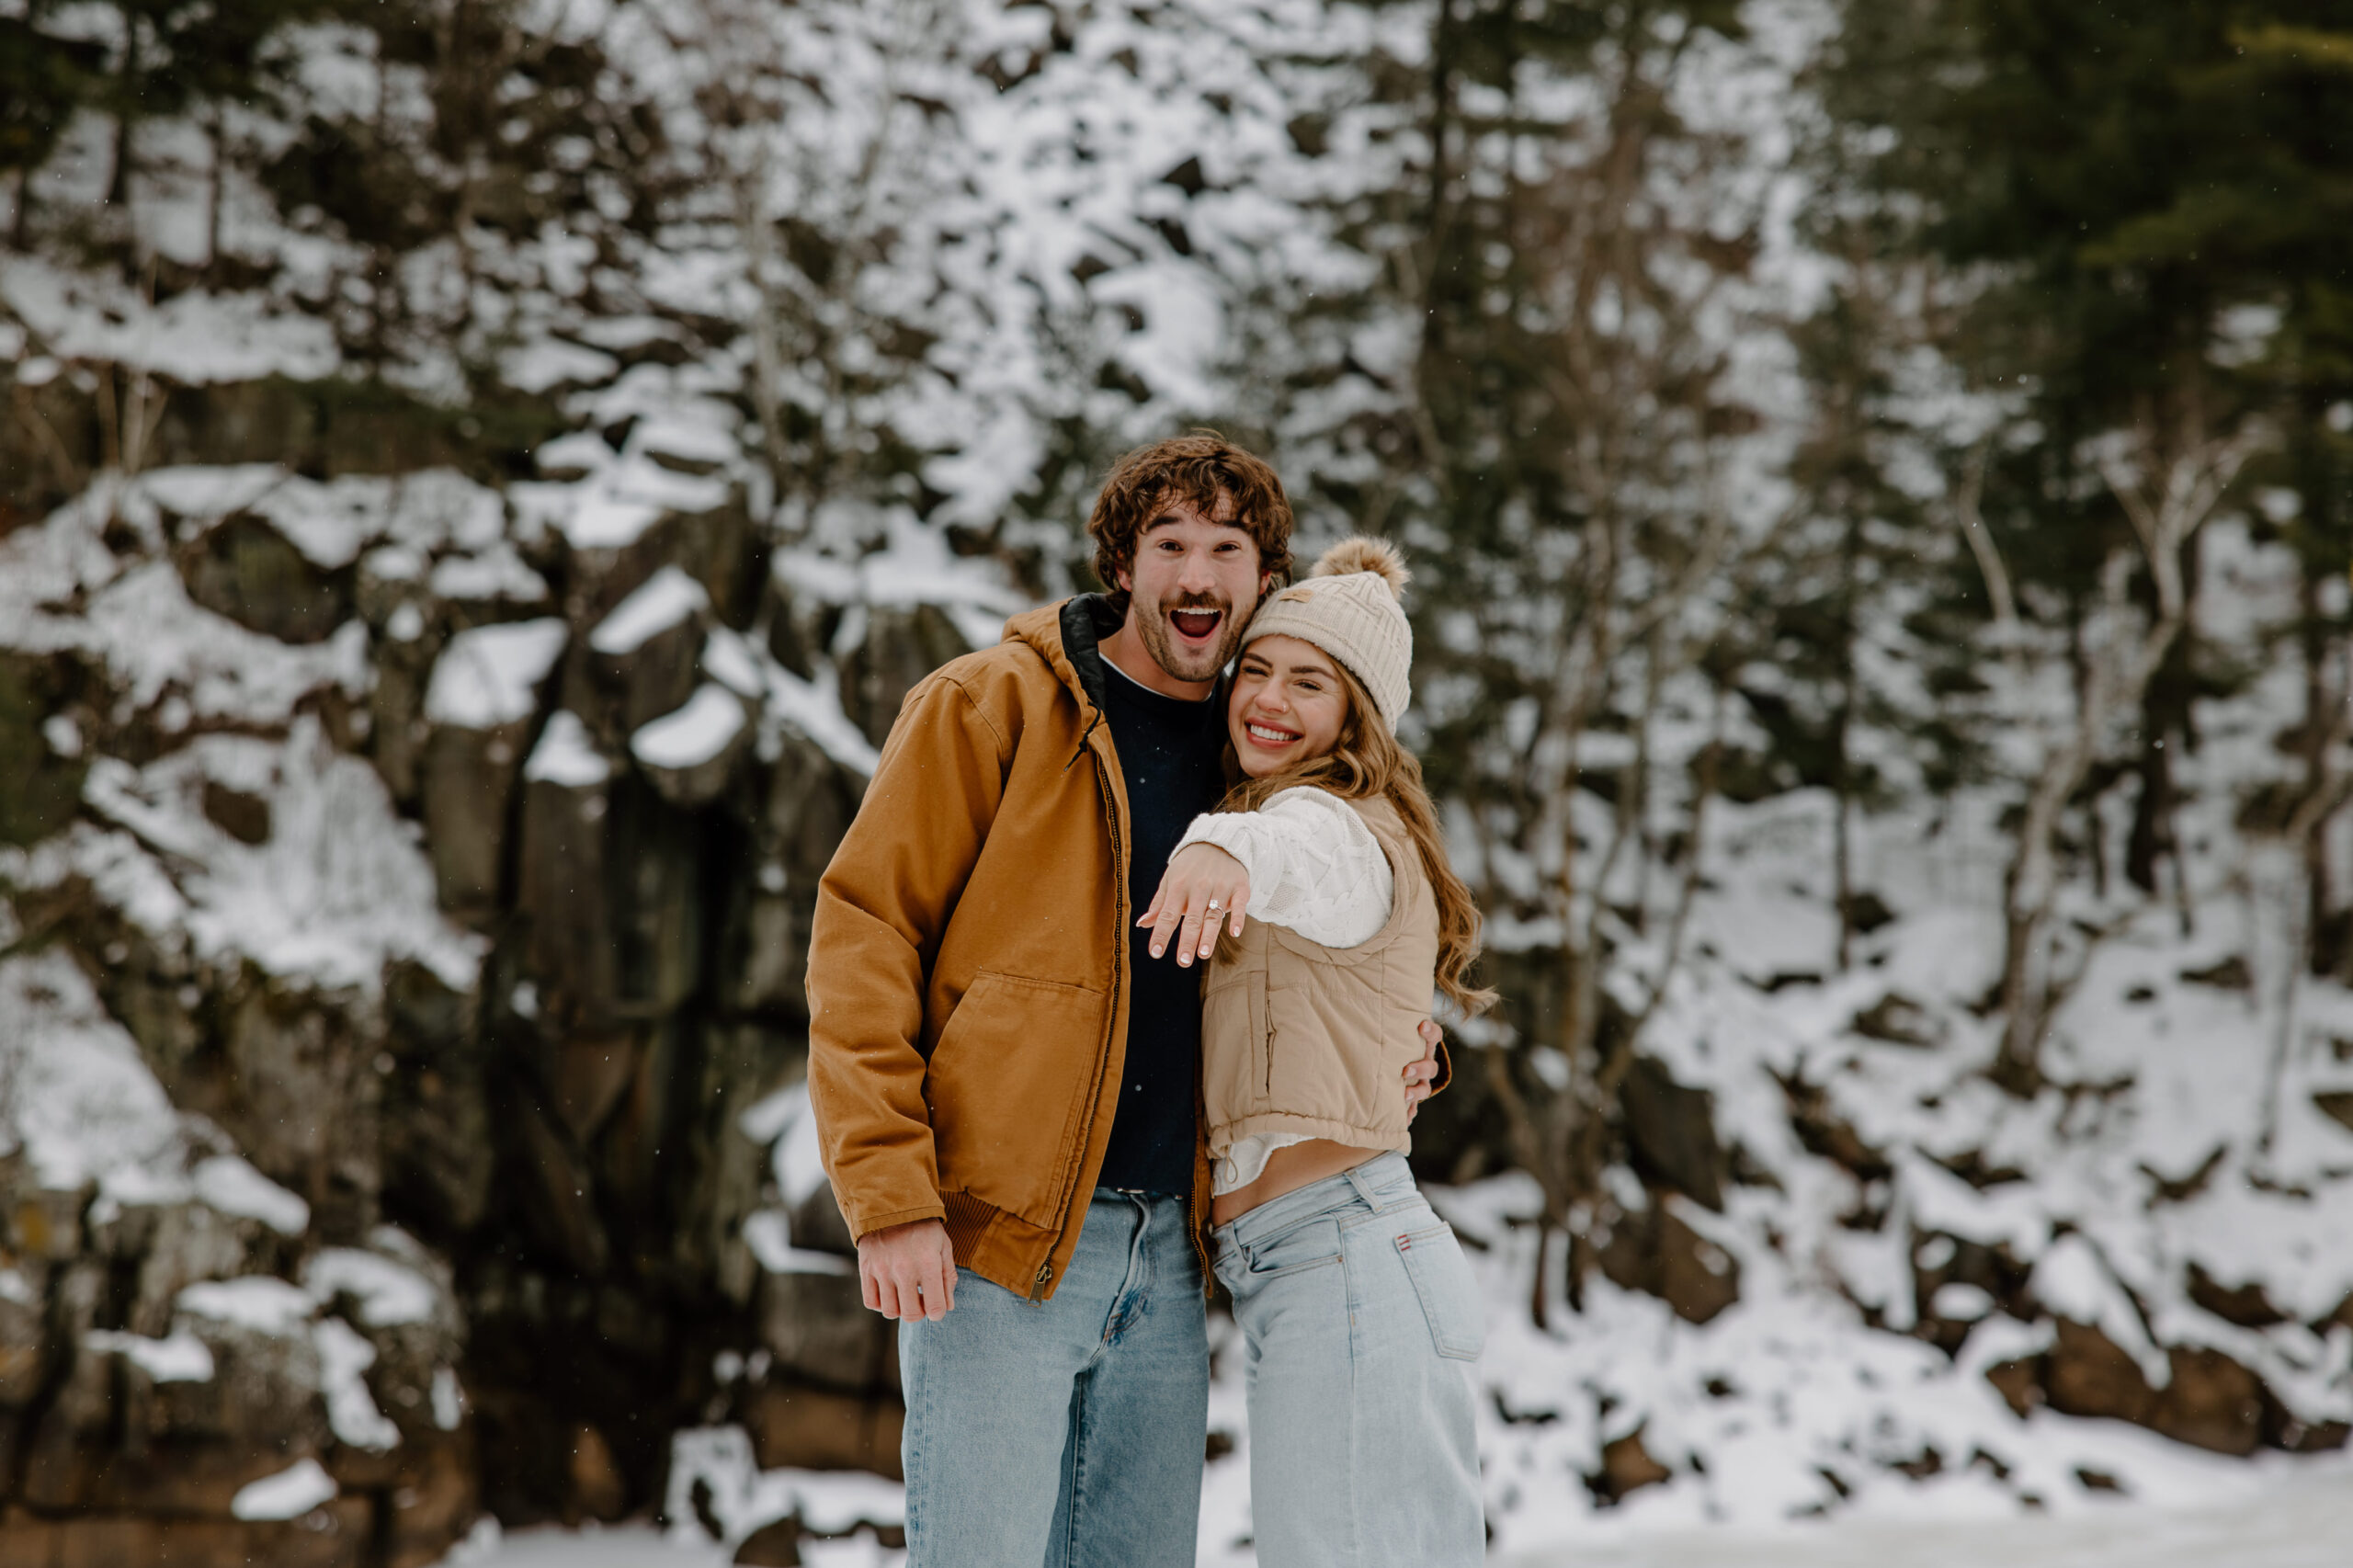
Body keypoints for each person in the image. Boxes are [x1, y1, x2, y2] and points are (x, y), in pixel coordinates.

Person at [803, 435, 1448, 1568]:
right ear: (1121, 560)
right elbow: (865, 935)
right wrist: (886, 1191)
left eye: (1227, 548)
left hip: (1173, 1265)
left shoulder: (1252, 744)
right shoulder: (989, 704)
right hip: (996, 1241)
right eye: (1169, 544)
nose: (1196, 575)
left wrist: (1408, 1043)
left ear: (1263, 581)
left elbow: (1332, 917)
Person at [1139, 536, 1492, 1568]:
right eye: (1257, 668)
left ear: (1357, 717)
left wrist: (1220, 845)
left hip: (1342, 1254)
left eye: (1309, 683)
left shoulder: (1337, 825)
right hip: (1317, 1263)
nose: (1269, 699)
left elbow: (1301, 853)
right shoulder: (1288, 806)